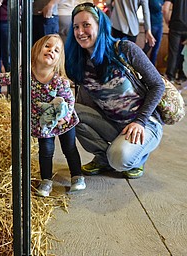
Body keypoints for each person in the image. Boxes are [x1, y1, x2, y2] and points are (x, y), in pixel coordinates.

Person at [0, 34, 86, 196]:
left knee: (69, 148)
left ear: (58, 60)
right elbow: (4, 78)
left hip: (63, 121)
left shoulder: (59, 81)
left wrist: (65, 117)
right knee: (46, 150)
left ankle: (77, 176)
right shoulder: (26, 75)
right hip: (44, 123)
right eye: (47, 46)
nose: (51, 50)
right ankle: (46, 180)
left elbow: (70, 101)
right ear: (36, 50)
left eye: (56, 50)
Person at [65, 3, 164, 179]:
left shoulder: (125, 49)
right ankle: (104, 158)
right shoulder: (79, 62)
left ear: (100, 25)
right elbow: (81, 101)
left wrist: (140, 121)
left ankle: (136, 157)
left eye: (86, 25)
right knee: (68, 113)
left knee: (119, 159)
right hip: (112, 123)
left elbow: (157, 85)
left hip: (144, 123)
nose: (80, 32)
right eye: (76, 27)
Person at [163, 0, 187, 83]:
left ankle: (170, 76)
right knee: (185, 52)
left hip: (175, 26)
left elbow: (165, 9)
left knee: (173, 52)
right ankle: (182, 76)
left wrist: (167, 21)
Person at [142, 0, 164, 66]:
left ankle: (152, 70)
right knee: (147, 49)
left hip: (160, 24)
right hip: (151, 26)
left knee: (155, 50)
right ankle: (139, 66)